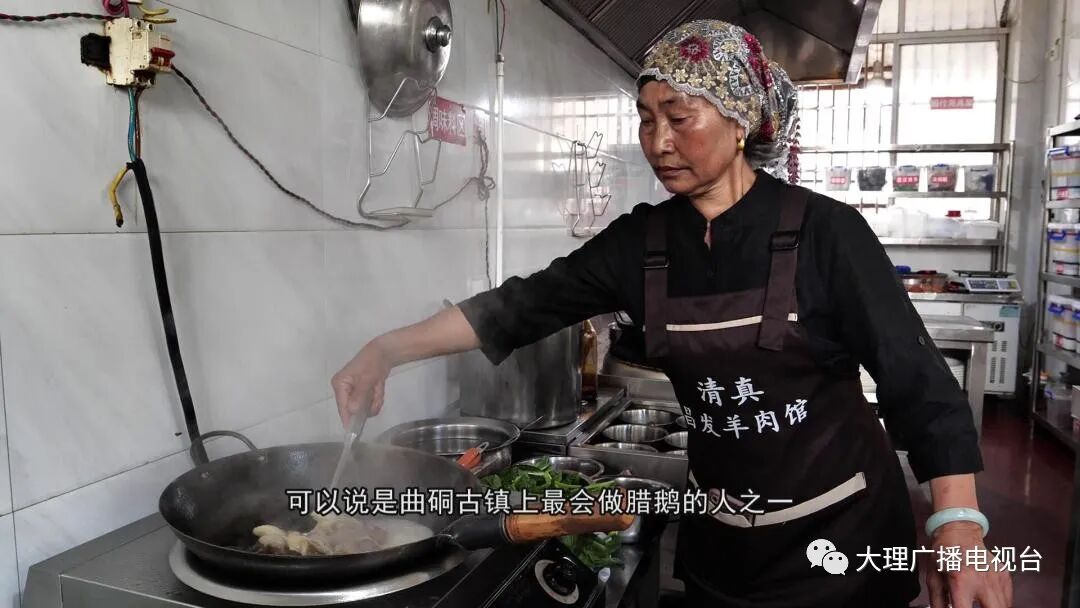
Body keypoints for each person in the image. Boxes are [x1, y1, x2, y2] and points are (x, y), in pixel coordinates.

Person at [332, 20, 1013, 608]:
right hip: (725, 547)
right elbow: (519, 306)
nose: (658, 142)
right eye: (647, 119)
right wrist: (385, 349)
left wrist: (957, 522)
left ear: (740, 120)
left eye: (680, 118)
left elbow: (918, 382)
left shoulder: (826, 233)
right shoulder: (643, 242)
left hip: (840, 545)